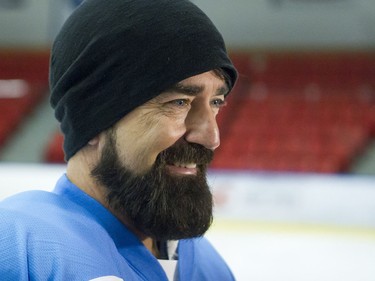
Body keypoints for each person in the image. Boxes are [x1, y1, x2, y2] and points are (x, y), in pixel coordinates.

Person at [0, 0, 238, 280]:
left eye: (216, 102)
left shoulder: (206, 265)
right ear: (92, 118)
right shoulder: (21, 249)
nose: (211, 137)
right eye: (179, 102)